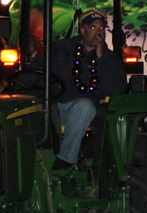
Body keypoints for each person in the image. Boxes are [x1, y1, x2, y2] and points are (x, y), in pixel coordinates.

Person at [50, 9, 127, 170]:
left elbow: (117, 89)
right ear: (83, 30)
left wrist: (101, 58)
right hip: (52, 104)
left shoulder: (110, 59)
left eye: (102, 28)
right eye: (93, 28)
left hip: (81, 110)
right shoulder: (62, 48)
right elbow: (38, 70)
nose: (98, 32)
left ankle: (64, 160)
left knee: (84, 105)